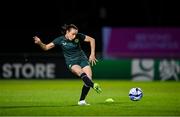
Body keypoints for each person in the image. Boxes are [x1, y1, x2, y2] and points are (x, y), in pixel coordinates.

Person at [33, 24, 102, 106]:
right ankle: (93, 85)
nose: (74, 36)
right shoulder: (60, 40)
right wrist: (40, 42)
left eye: (76, 34)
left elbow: (92, 40)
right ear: (67, 32)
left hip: (82, 59)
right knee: (81, 73)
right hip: (72, 62)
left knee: (89, 78)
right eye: (73, 34)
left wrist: (92, 54)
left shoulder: (78, 36)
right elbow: (46, 47)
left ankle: (81, 101)